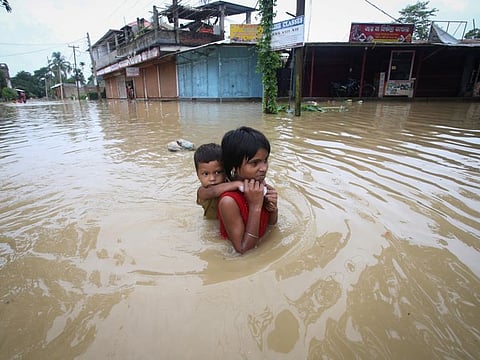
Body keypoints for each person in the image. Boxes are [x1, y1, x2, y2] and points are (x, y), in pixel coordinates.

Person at [218, 126, 278, 254]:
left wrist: (273, 208)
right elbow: (243, 250)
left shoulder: (259, 185)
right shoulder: (229, 201)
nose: (263, 168)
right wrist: (255, 206)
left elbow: (271, 226)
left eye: (265, 160)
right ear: (235, 167)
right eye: (254, 163)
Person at [194, 143, 243, 219]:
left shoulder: (230, 182)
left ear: (226, 171)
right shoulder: (202, 191)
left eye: (218, 172)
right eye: (206, 174)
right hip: (211, 223)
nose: (212, 178)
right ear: (198, 175)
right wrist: (237, 184)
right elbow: (213, 191)